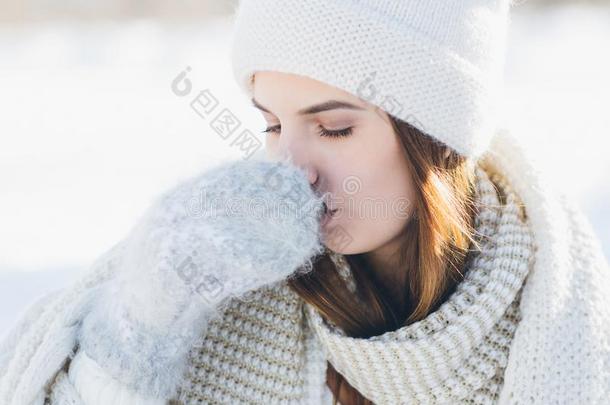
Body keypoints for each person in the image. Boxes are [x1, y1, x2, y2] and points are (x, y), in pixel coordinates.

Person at [2, 1, 609, 404]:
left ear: (436, 141)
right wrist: (141, 327)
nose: (291, 168)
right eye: (271, 126)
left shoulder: (565, 325)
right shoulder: (230, 282)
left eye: (335, 129)